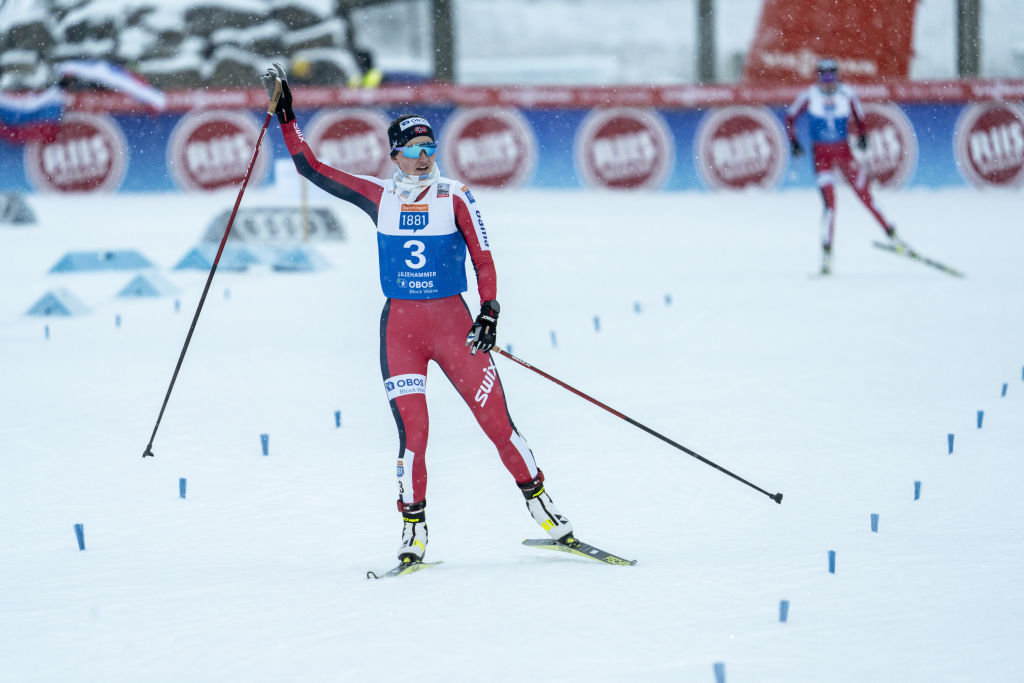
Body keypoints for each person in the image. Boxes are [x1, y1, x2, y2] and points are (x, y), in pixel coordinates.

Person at [259, 64, 574, 565]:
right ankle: (414, 533)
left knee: (498, 426)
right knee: (415, 437)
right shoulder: (376, 196)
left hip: (456, 329)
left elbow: (483, 258)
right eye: (413, 150)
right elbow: (311, 168)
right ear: (395, 155)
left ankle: (548, 515)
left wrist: (488, 312)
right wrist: (287, 120)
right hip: (401, 333)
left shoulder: (456, 195)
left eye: (430, 148)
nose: (424, 158)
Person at [786, 58, 906, 275]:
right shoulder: (810, 95)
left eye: (832, 76)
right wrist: (794, 142)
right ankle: (827, 254)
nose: (828, 82)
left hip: (844, 156)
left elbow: (860, 118)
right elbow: (790, 118)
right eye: (824, 77)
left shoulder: (847, 94)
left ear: (838, 76)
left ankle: (894, 236)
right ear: (818, 77)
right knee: (830, 206)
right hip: (821, 158)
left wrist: (862, 135)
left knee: (865, 197)